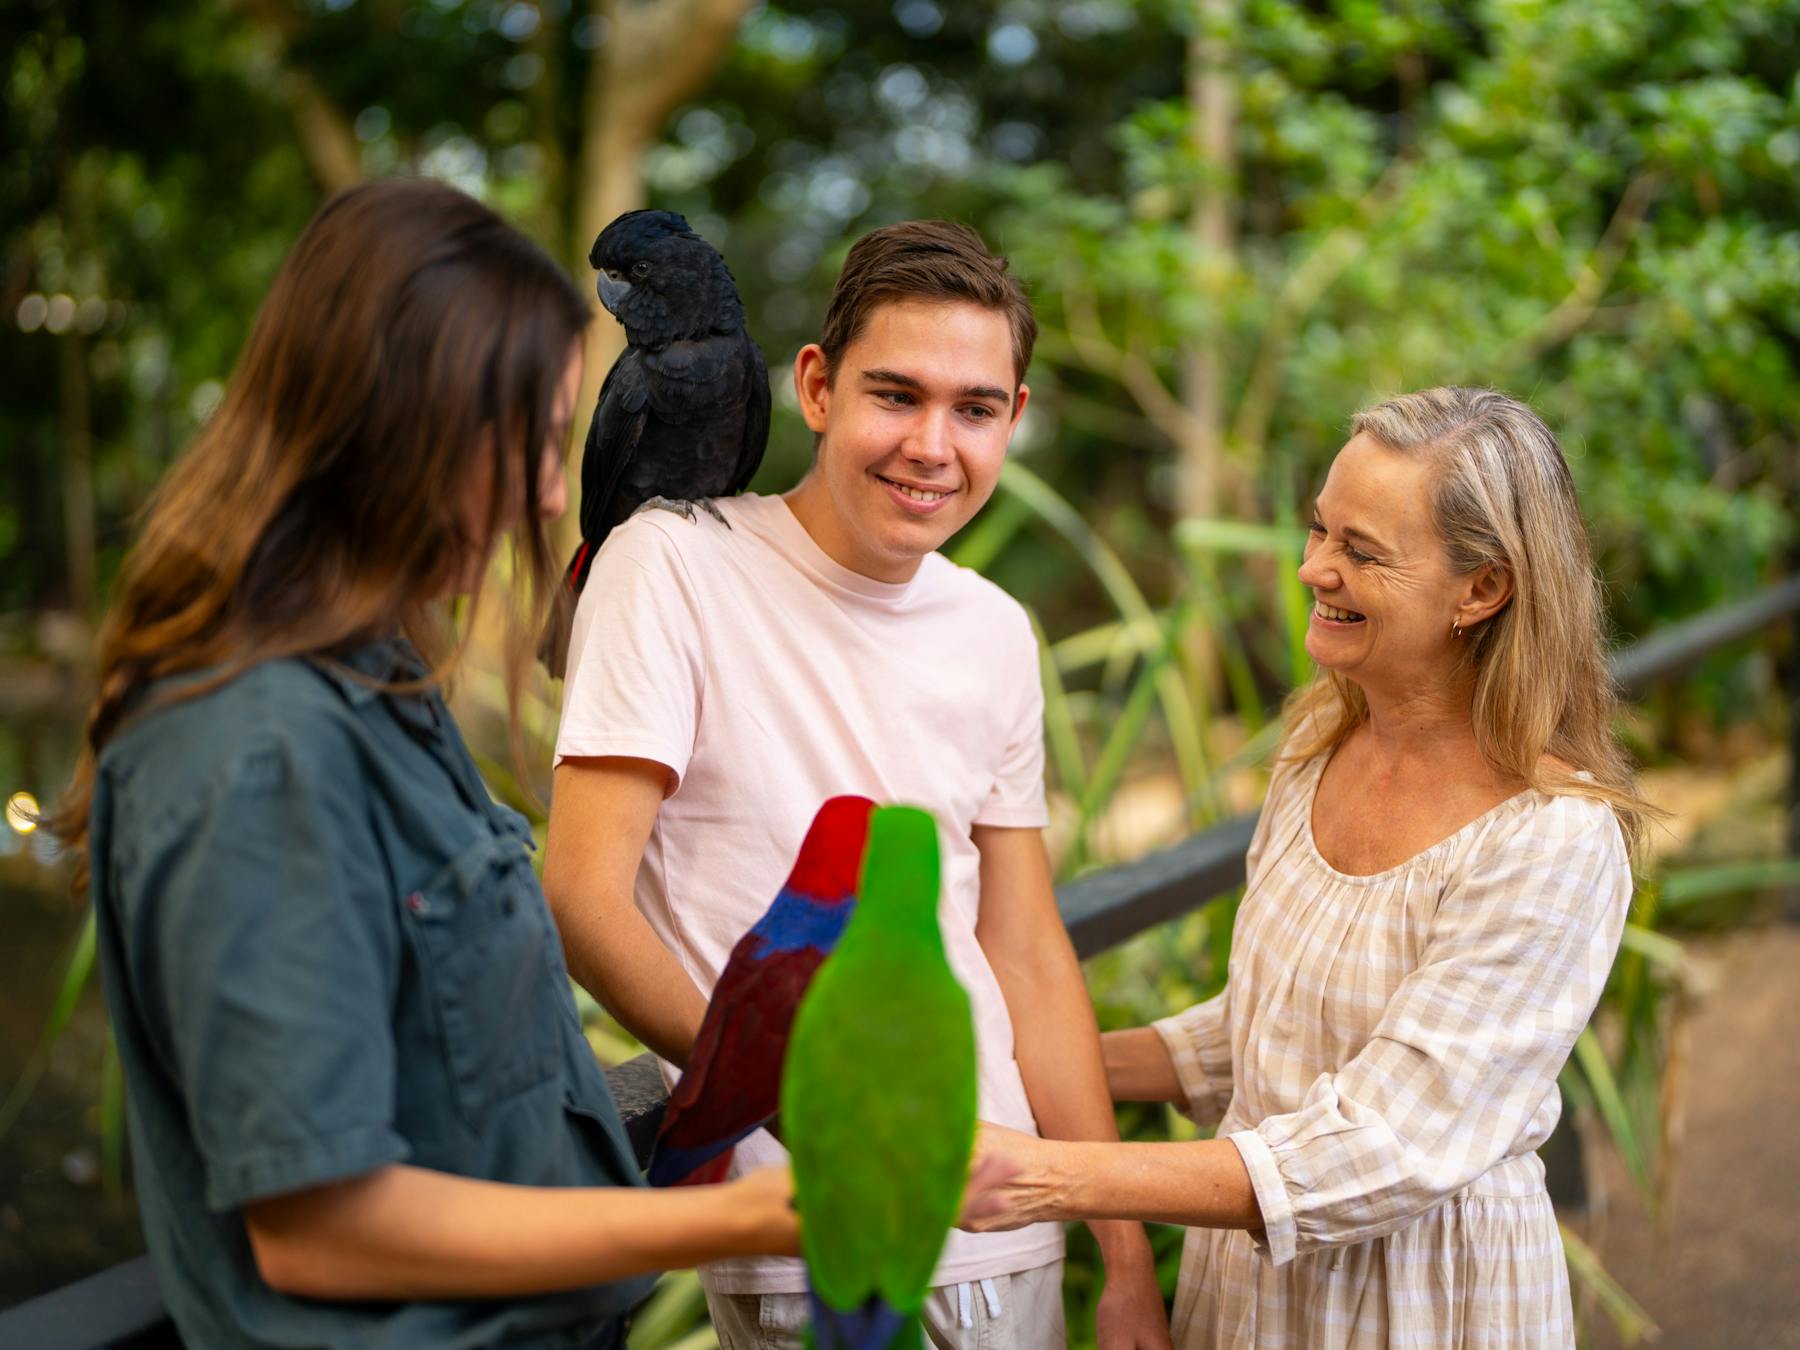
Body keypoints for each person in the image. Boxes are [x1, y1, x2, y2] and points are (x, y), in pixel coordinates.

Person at [51, 178, 803, 1350]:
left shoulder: (382, 679)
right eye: (531, 446)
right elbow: (320, 1226)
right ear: (391, 435)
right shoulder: (258, 750)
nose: (559, 493)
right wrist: (752, 1216)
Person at [544, 220, 1169, 1349]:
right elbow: (582, 895)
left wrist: (1119, 1250)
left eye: (975, 408)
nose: (933, 444)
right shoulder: (670, 565)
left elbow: (1024, 951)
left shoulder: (994, 630)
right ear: (818, 388)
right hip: (810, 1240)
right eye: (897, 395)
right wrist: (811, 1124)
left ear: (1012, 422)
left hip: (1008, 1222)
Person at [965, 387, 1654, 1349]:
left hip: (1421, 1302)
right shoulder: (1318, 748)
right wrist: (1003, 1054)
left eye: (1361, 551)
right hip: (1247, 1294)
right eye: (1319, 530)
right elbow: (1270, 1023)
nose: (1312, 568)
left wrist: (1047, 1173)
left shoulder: (1552, 839)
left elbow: (1381, 1142)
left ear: (1482, 590)